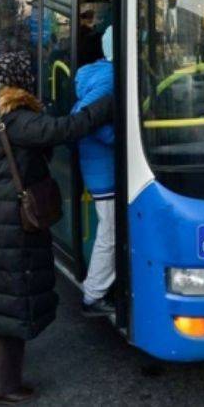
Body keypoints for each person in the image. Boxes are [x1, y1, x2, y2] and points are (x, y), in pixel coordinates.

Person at [0, 52, 112, 404]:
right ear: (21, 81)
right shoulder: (17, 119)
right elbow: (66, 129)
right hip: (10, 223)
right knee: (10, 302)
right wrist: (109, 101)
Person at [73, 25, 116, 317]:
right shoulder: (112, 76)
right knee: (110, 232)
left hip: (98, 165)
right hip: (105, 168)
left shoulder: (96, 72)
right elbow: (83, 116)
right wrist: (120, 139)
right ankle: (94, 293)